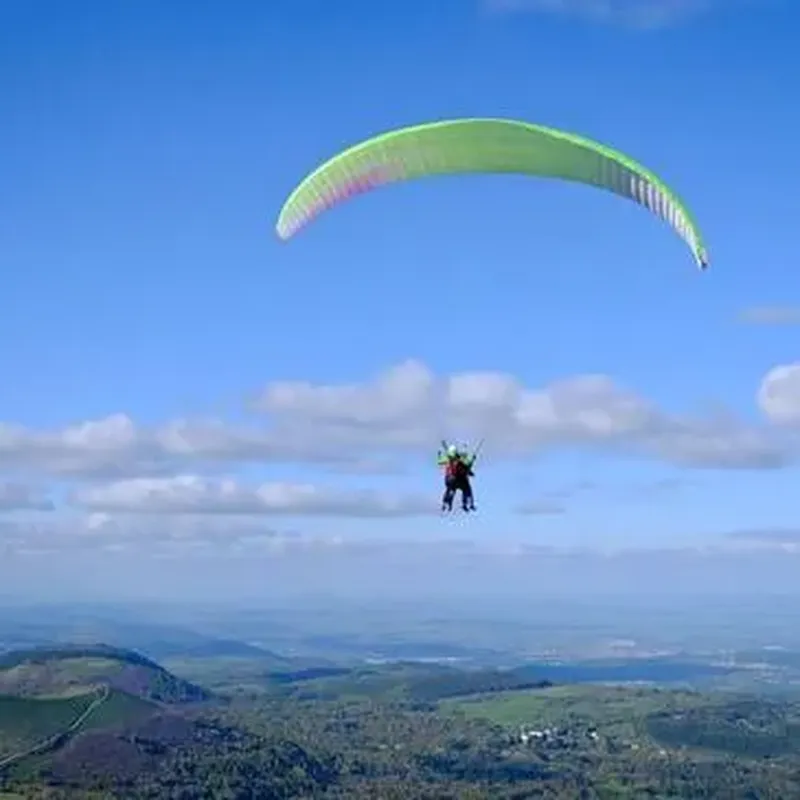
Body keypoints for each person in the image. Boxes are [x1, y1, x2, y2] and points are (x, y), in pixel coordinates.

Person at [437, 443, 476, 513]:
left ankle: (446, 503)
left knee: (450, 489)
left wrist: (439, 455)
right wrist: (473, 459)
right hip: (460, 479)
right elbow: (468, 464)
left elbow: (439, 461)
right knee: (467, 490)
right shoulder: (460, 459)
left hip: (448, 479)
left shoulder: (447, 458)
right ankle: (467, 503)